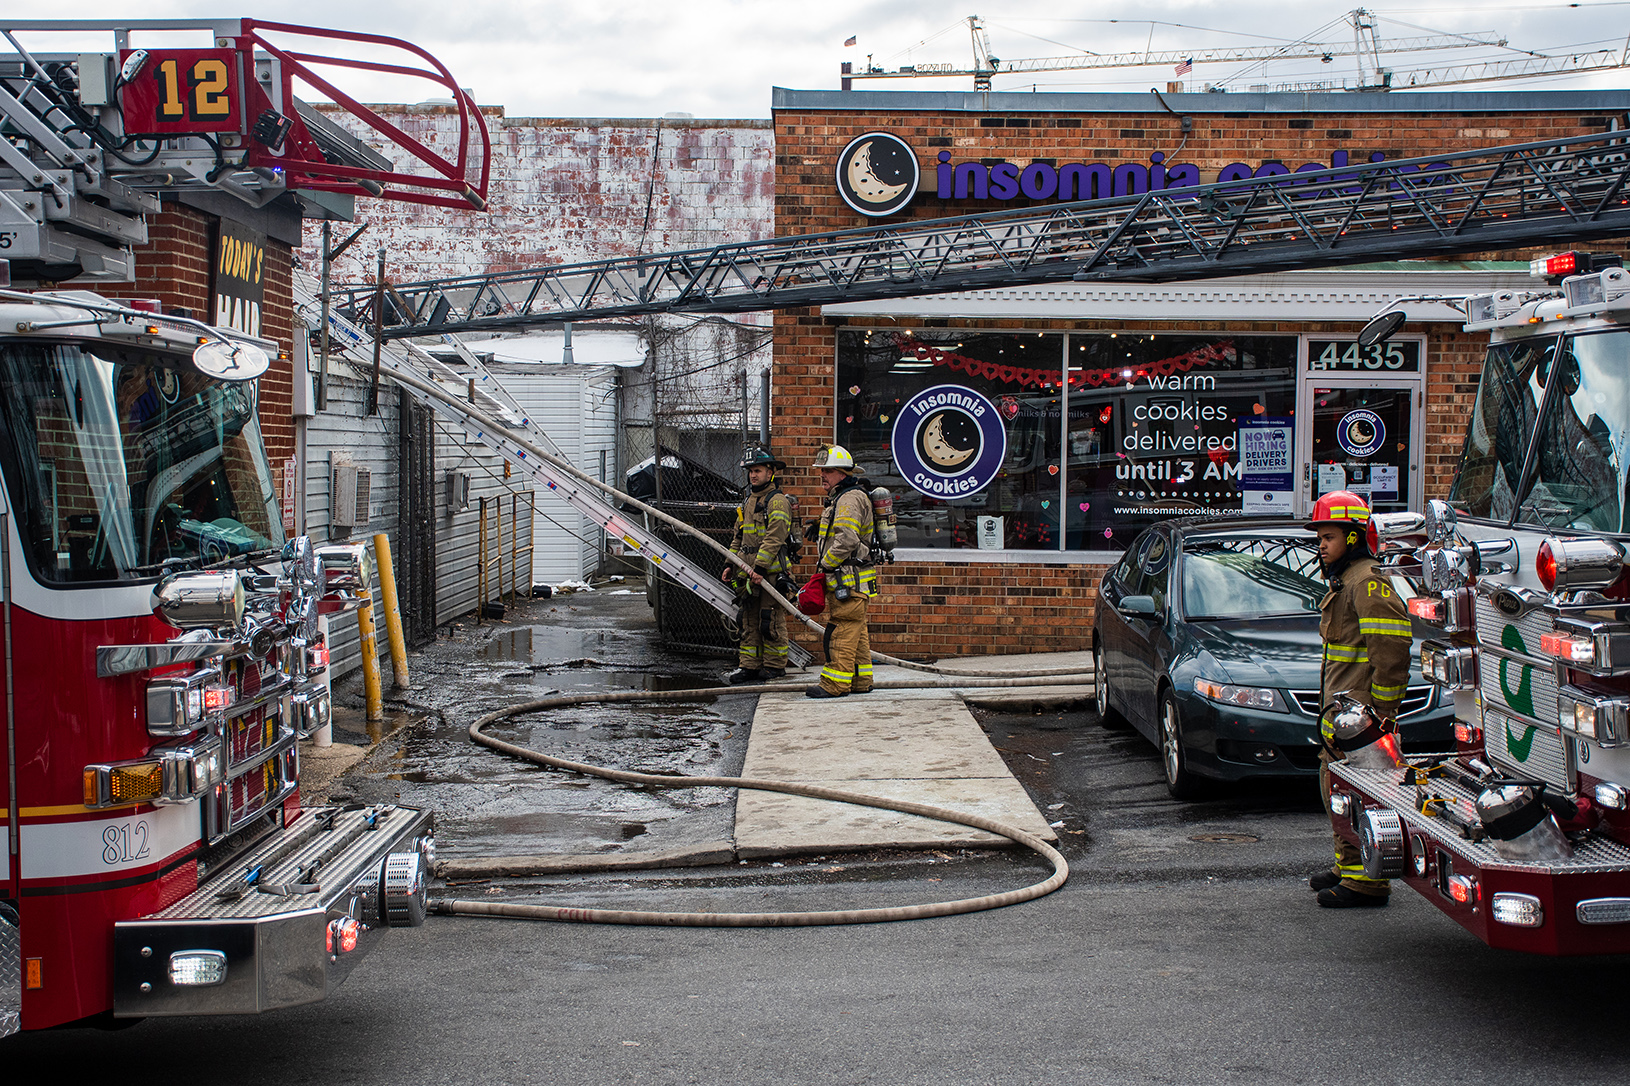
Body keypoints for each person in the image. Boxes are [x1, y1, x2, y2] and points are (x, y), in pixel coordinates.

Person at [1306, 490, 1413, 909]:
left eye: (1328, 537)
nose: (1321, 546)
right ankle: (1348, 866)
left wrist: (1382, 715)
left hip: (1364, 721)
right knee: (1335, 788)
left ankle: (1367, 883)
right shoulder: (1345, 581)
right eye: (1320, 538)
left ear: (1352, 538)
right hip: (1342, 717)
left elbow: (1390, 648)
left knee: (1360, 797)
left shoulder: (1367, 581)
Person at [807, 445, 878, 699]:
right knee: (856, 632)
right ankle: (860, 680)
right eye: (821, 470)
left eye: (828, 470)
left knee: (841, 630)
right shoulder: (845, 497)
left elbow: (846, 540)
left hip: (847, 581)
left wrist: (824, 564)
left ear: (842, 473)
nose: (822, 475)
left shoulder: (848, 498)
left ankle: (834, 684)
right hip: (854, 580)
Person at [722, 447, 796, 684]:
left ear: (770, 472)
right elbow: (738, 537)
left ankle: (775, 667)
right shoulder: (747, 502)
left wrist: (761, 569)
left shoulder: (777, 502)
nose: (753, 475)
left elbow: (775, 537)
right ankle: (749, 666)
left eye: (758, 470)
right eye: (750, 471)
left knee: (770, 619)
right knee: (748, 619)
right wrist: (729, 564)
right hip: (746, 572)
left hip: (770, 574)